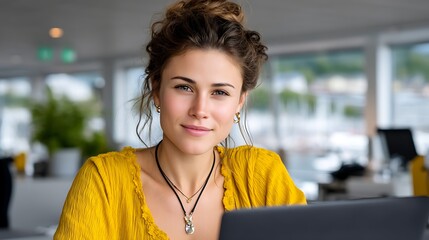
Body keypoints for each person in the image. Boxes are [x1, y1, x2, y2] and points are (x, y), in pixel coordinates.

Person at [54, 0, 306, 239]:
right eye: (184, 87)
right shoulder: (104, 181)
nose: (200, 109)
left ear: (240, 101)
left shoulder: (261, 175)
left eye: (220, 92)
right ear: (156, 89)